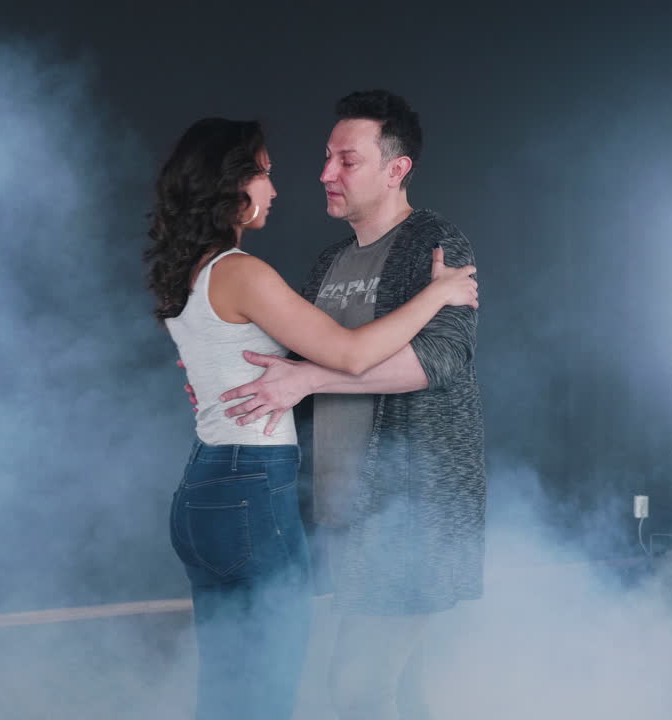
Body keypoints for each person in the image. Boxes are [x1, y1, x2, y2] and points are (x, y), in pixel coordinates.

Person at [145, 117, 477, 720]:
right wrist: (438, 294)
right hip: (250, 488)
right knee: (266, 695)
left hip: (206, 487)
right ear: (230, 185)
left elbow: (437, 360)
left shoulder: (191, 270)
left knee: (228, 689)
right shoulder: (243, 272)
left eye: (344, 160)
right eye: (265, 173)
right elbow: (346, 353)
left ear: (396, 168)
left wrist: (292, 377)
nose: (280, 186)